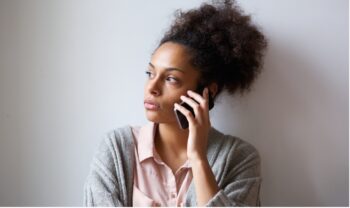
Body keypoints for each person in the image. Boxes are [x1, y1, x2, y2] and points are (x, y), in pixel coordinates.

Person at [83, 0, 267, 206]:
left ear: (207, 91)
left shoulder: (240, 158)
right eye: (150, 73)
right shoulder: (115, 148)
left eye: (171, 79)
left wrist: (198, 158)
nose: (152, 88)